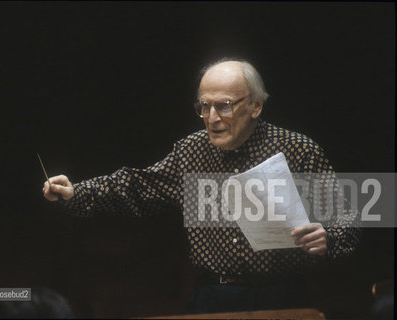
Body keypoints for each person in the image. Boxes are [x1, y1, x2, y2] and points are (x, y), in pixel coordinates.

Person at [42, 59, 360, 313]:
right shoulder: (191, 151)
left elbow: (347, 218)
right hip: (214, 295)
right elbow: (137, 187)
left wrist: (328, 236)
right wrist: (78, 192)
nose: (211, 117)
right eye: (203, 107)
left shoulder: (298, 150)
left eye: (224, 105)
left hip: (283, 294)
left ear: (256, 106)